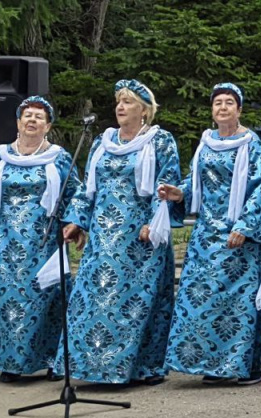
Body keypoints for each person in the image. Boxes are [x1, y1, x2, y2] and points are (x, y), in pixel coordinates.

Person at [60, 79, 181, 386]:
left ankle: (143, 367)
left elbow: (165, 185)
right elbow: (88, 186)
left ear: (144, 110)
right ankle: (90, 365)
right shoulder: (103, 142)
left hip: (140, 235)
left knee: (137, 302)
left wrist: (154, 222)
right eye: (118, 101)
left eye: (128, 102)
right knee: (95, 300)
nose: (120, 107)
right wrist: (77, 221)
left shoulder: (160, 141)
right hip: (103, 236)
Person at [0, 96, 78, 382]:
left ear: (48, 126)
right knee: (7, 300)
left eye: (39, 116)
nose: (32, 120)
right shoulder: (0, 156)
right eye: (27, 115)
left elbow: (76, 193)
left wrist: (75, 223)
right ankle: (11, 361)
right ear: (17, 122)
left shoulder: (59, 158)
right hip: (3, 242)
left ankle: (52, 359)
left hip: (42, 241)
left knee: (45, 299)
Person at [159, 83, 261, 385]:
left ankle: (244, 367)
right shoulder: (206, 142)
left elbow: (260, 187)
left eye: (229, 102)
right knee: (203, 298)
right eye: (218, 102)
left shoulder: (250, 143)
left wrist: (245, 226)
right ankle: (211, 364)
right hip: (206, 233)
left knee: (237, 303)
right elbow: (196, 181)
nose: (222, 107)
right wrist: (179, 193)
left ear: (239, 109)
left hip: (237, 235)